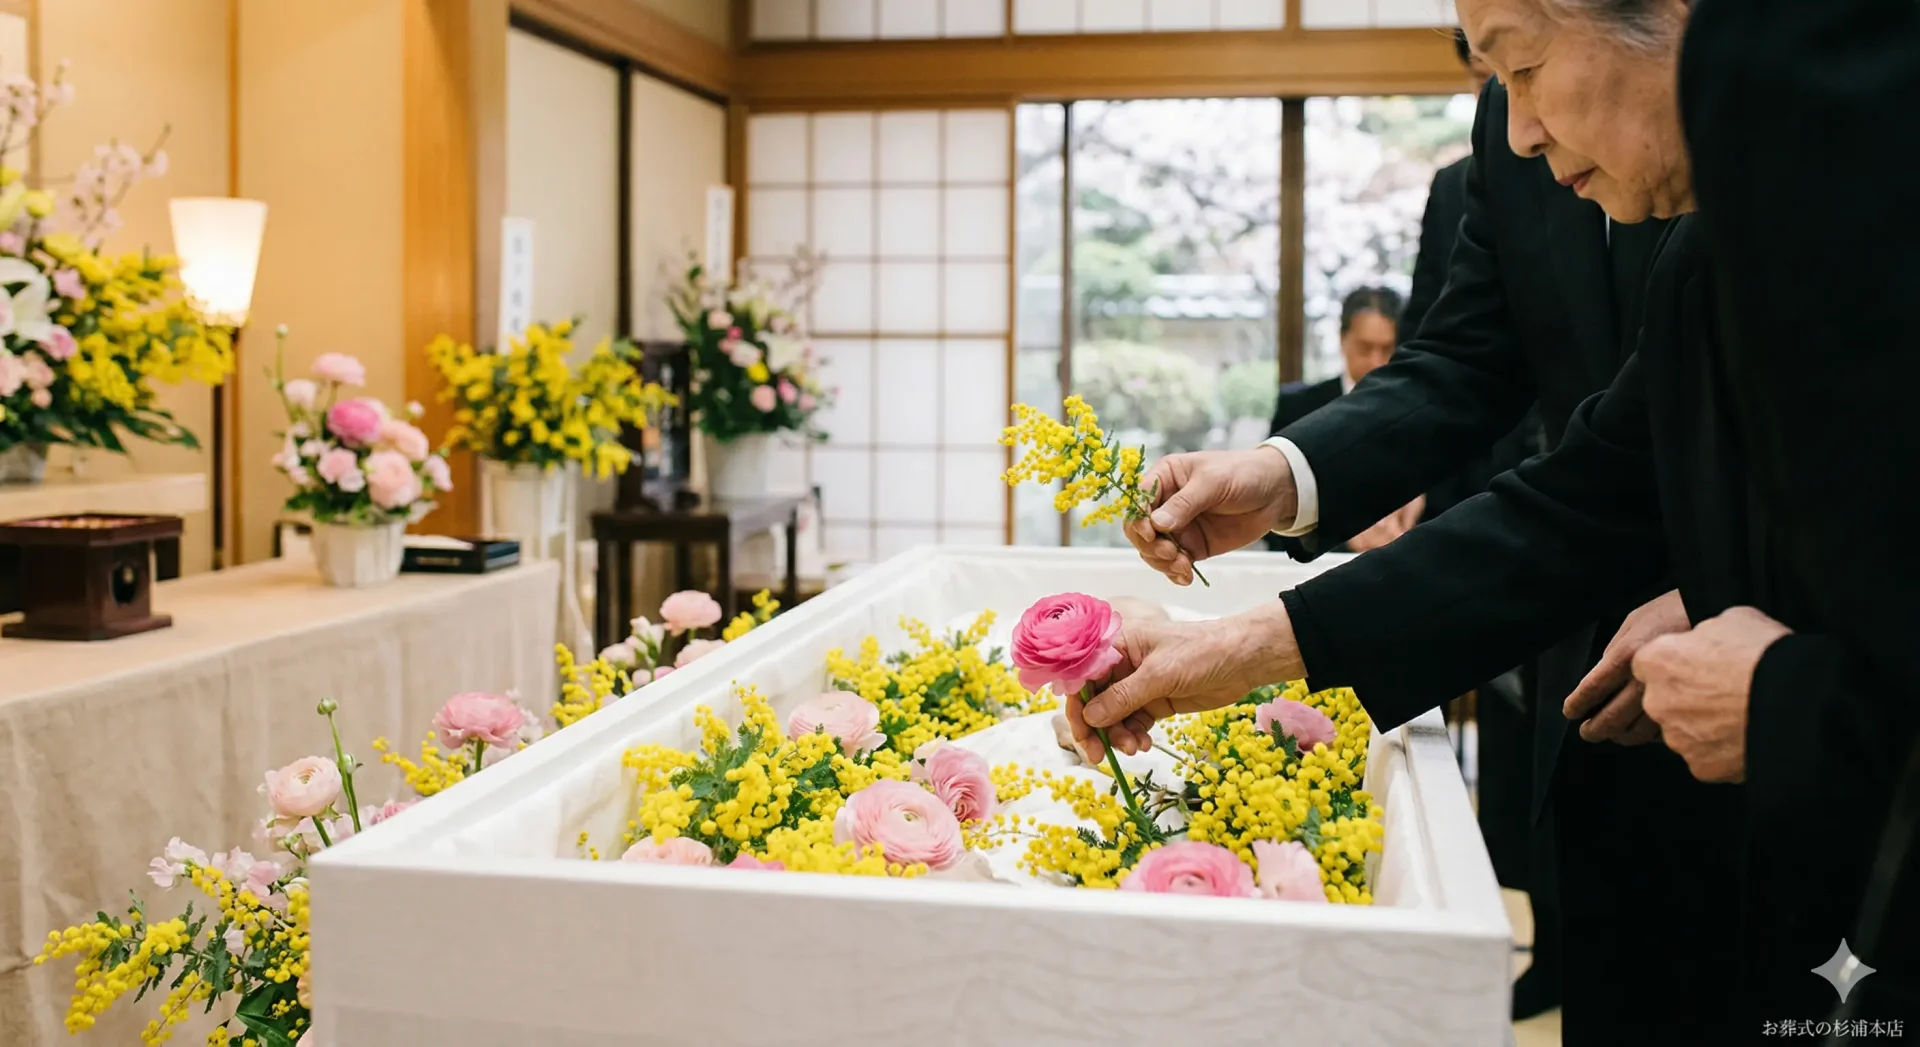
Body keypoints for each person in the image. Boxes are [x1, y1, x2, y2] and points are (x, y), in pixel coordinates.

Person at [1089, 0, 1920, 1033]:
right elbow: (1571, 492)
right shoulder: (1707, 251)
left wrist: (1779, 677)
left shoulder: (1860, 184)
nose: (1520, 130)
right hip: (1617, 694)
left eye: (1522, 67)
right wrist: (1229, 641)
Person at [1266, 288, 1424, 554]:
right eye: (1365, 348)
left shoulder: (1428, 409)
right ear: (1342, 341)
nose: (1376, 362)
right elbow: (1271, 524)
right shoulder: (1299, 407)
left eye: (1387, 349)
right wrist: (1343, 539)